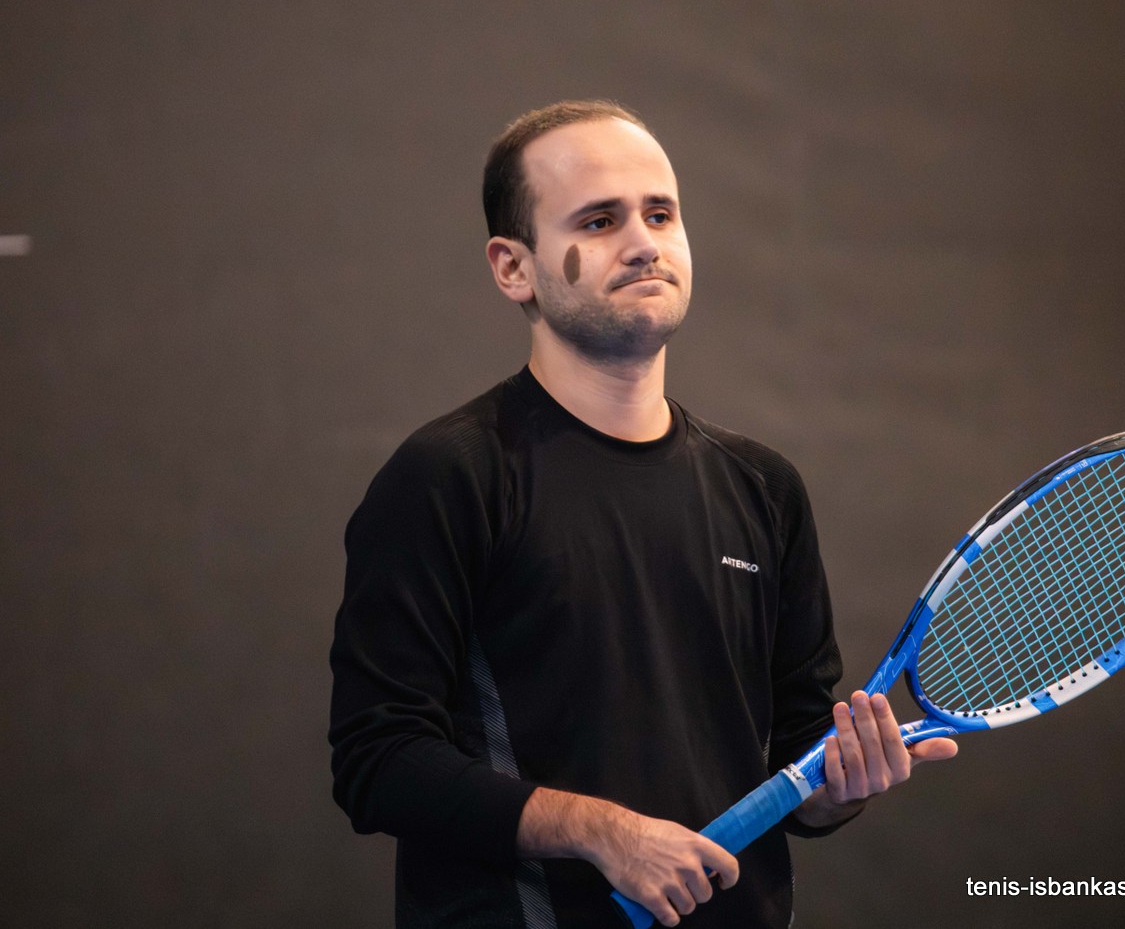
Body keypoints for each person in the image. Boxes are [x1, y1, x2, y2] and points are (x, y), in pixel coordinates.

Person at [328, 100, 957, 929]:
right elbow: (379, 761)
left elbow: (795, 767)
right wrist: (601, 832)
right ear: (513, 268)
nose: (643, 243)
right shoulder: (450, 476)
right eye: (599, 220)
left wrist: (841, 785)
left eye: (661, 214)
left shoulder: (764, 488)